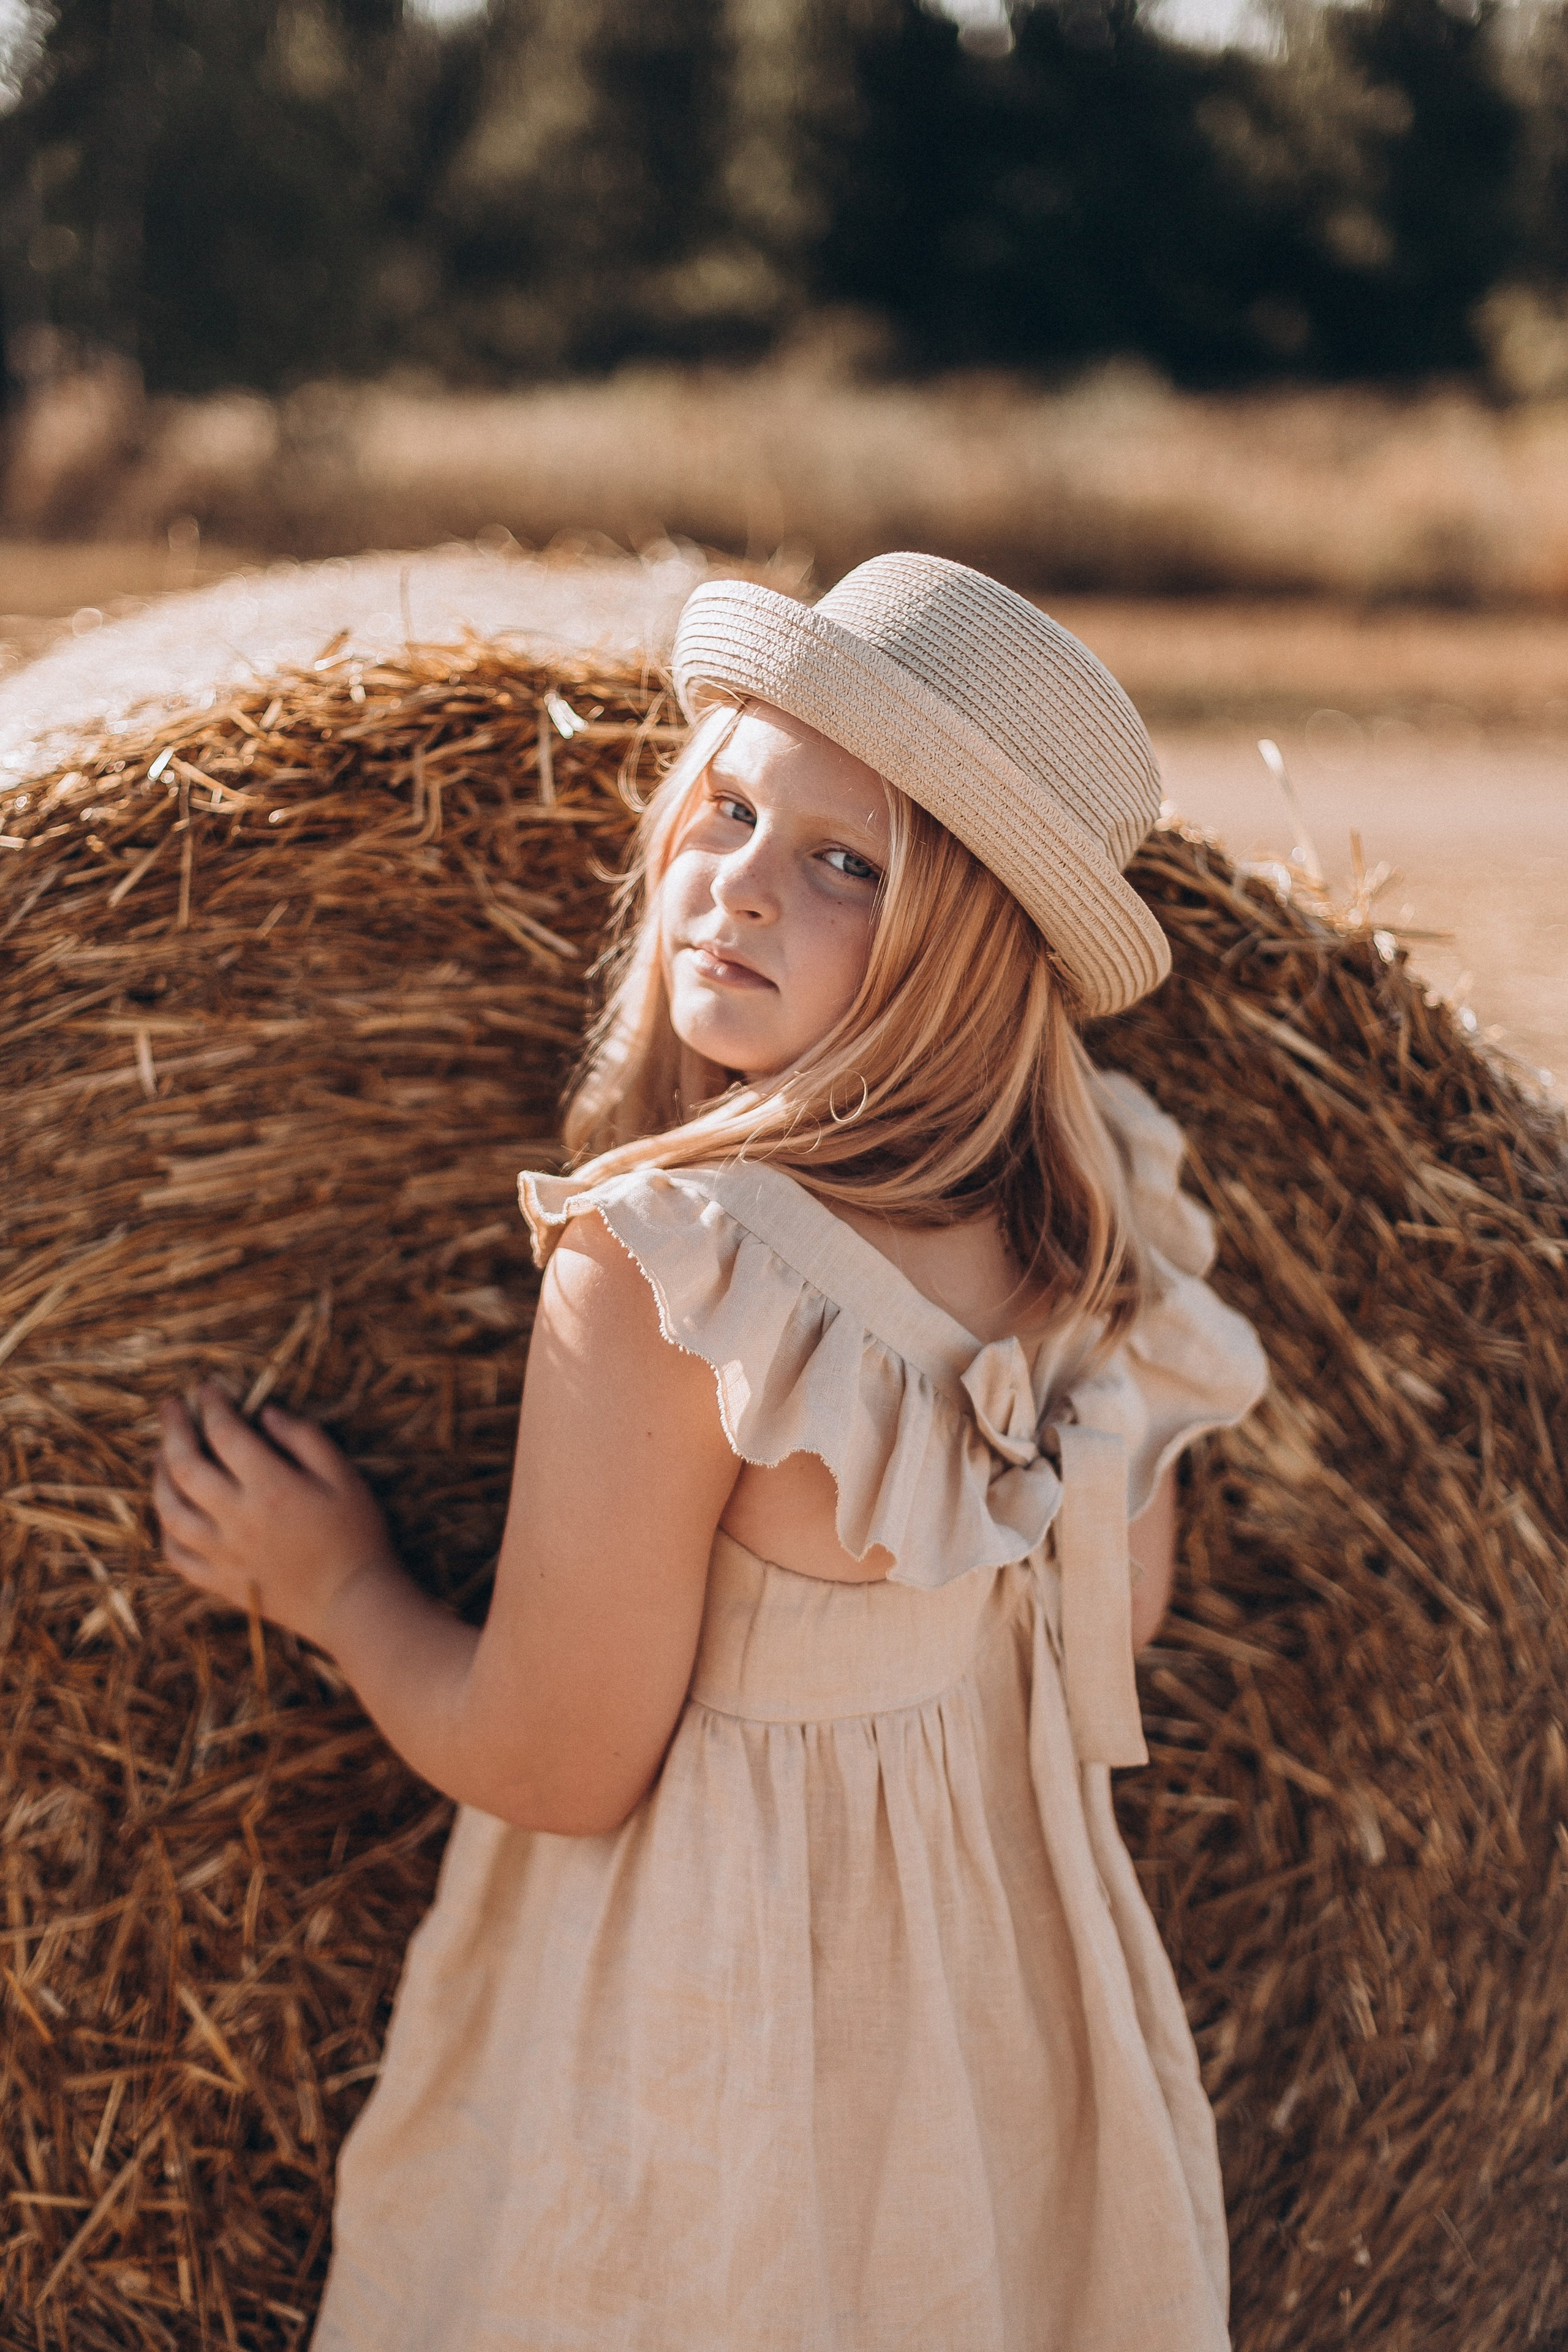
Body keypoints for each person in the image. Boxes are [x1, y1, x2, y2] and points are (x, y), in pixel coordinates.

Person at [154, 553, 1267, 2351]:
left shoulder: (680, 1271)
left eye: (846, 863)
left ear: (970, 946)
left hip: (713, 2056)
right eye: (731, 807)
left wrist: (336, 1585)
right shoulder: (1098, 1226)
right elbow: (1102, 1637)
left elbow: (553, 1756)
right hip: (996, 2067)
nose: (736, 882)